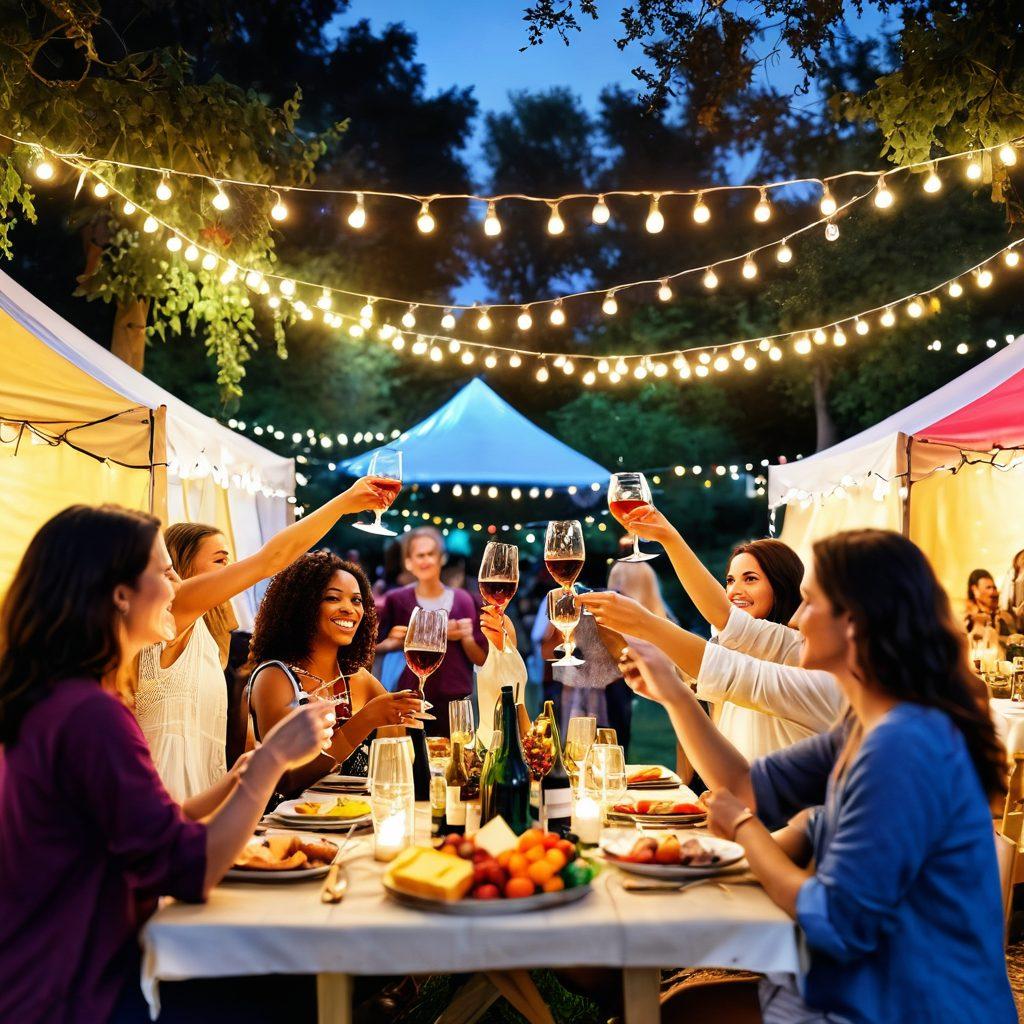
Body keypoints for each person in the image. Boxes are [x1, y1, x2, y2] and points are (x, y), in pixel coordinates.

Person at [601, 530, 1015, 1024]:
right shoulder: (866, 726)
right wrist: (673, 694)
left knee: (672, 1013)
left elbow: (833, 919)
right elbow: (746, 786)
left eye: (809, 603)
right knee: (669, 1006)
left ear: (855, 623)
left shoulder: (904, 746)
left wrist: (743, 831)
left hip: (902, 1001)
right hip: (855, 978)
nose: (794, 619)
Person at [0, 505, 335, 1023]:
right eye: (165, 571)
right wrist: (272, 759)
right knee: (297, 991)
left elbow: (158, 826)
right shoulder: (91, 715)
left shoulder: (60, 698)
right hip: (78, 994)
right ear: (119, 593)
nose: (177, 585)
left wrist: (246, 771)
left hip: (46, 976)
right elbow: (189, 868)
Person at [134, 476, 392, 802]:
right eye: (220, 560)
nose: (230, 569)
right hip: (161, 803)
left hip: (198, 805)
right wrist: (346, 502)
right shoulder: (172, 610)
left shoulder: (207, 637)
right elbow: (271, 559)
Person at [598, 504, 842, 758]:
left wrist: (668, 538)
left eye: (750, 579)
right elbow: (669, 672)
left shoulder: (793, 646)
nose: (734, 591)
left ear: (781, 585)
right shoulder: (731, 647)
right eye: (730, 580)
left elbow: (723, 618)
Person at [246, 550, 426, 796]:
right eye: (333, 598)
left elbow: (398, 755)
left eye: (356, 600)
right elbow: (286, 781)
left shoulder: (358, 678)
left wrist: (404, 715)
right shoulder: (275, 677)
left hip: (356, 825)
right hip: (290, 828)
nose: (349, 609)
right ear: (302, 605)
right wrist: (365, 720)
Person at [376, 527, 487, 736]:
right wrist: (394, 642)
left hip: (455, 699)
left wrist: (467, 638)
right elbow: (373, 647)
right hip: (411, 699)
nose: (425, 560)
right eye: (420, 555)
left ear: (442, 558)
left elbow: (481, 659)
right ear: (408, 562)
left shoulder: (465, 600)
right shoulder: (397, 600)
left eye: (431, 554)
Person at [965, 568, 1017, 652]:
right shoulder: (967, 619)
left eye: (994, 588)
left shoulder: (1006, 617)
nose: (993, 592)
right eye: (988, 588)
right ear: (975, 590)